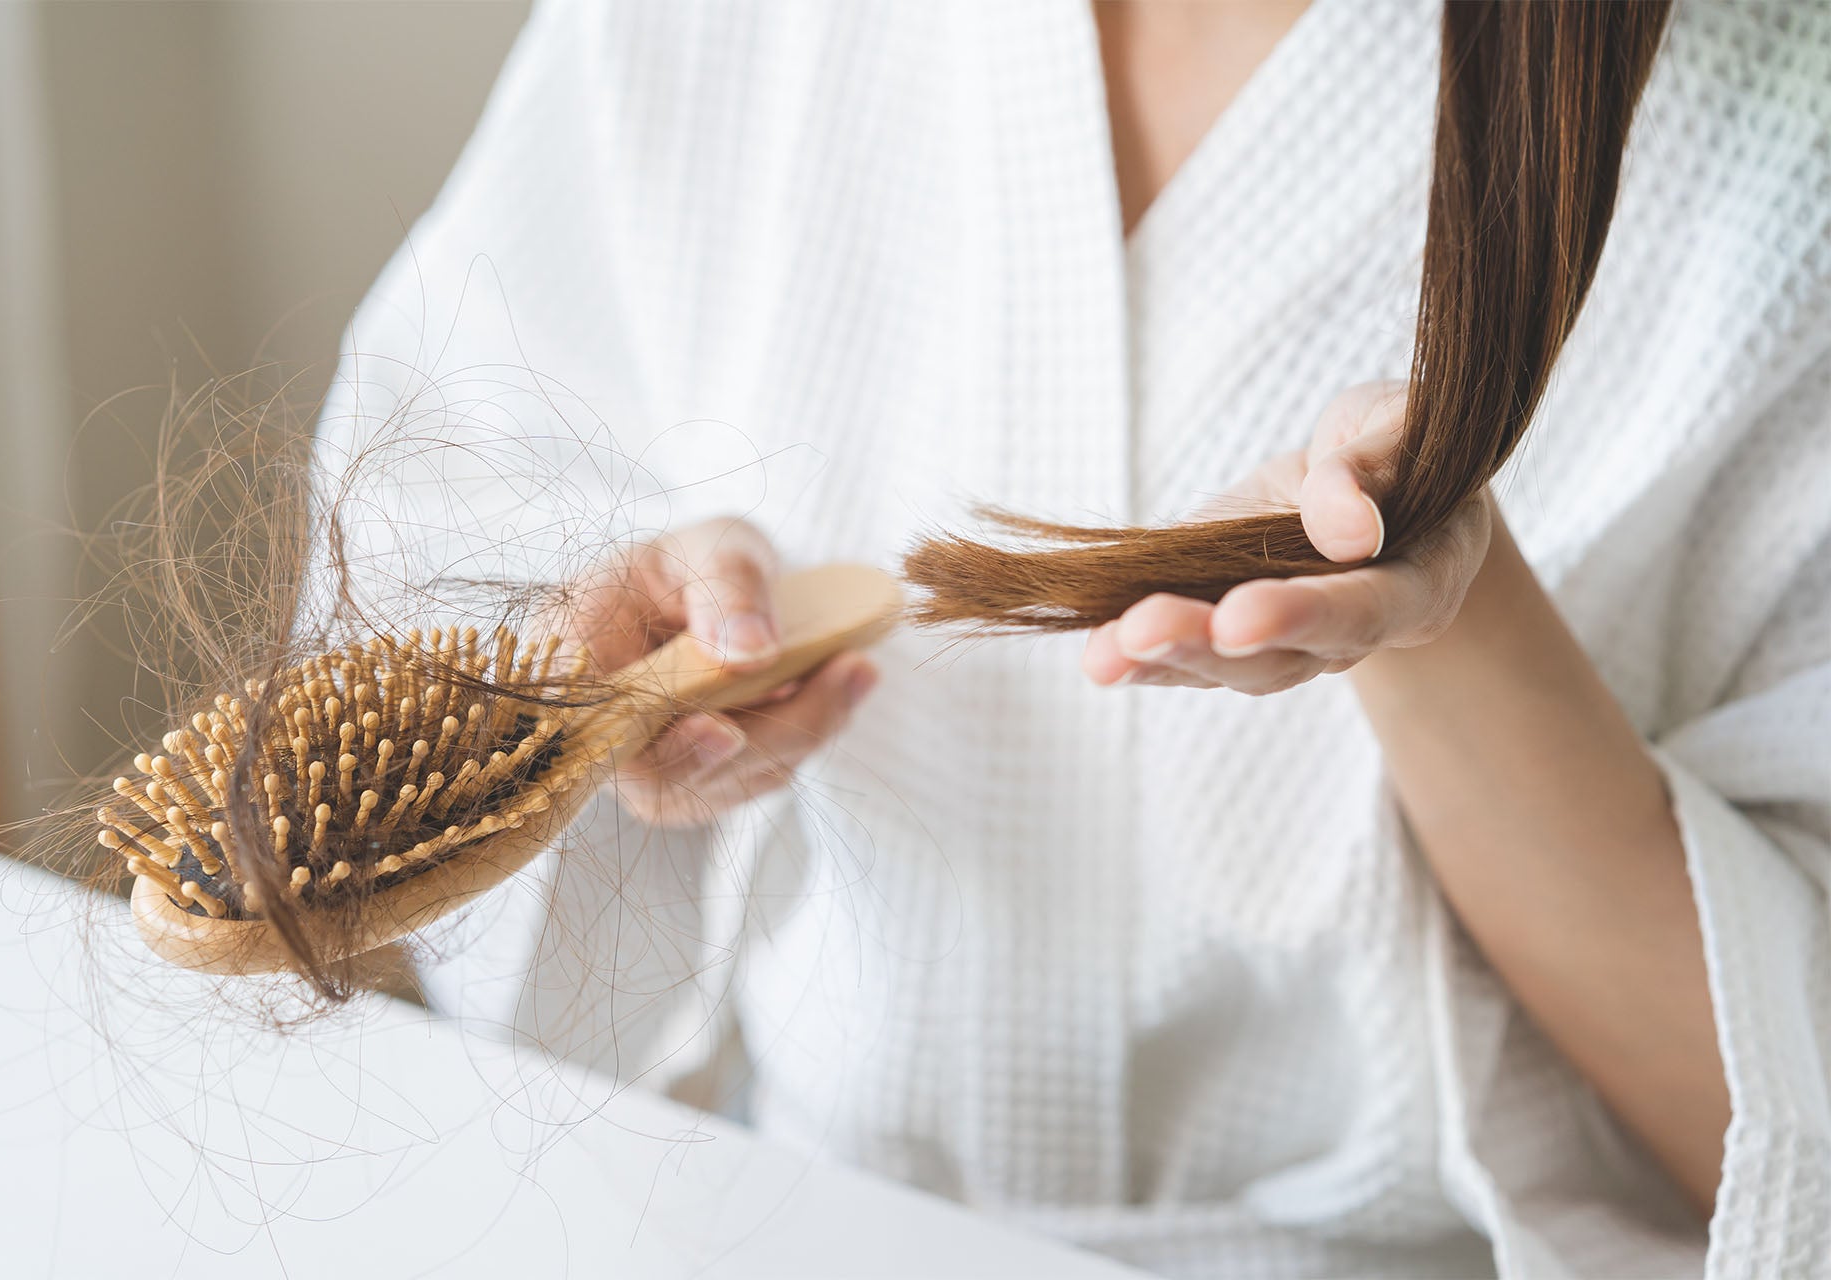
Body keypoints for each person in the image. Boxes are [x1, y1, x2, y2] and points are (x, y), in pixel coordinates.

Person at [316, 1, 1831, 1274]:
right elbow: (434, 537)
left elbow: (1780, 1153)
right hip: (777, 1217)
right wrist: (596, 666)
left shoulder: (1783, 144)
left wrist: (1450, 618)